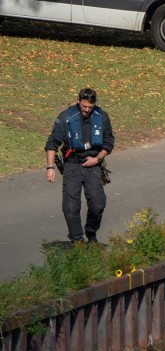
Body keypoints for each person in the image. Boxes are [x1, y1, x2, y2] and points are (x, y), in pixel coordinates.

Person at [44, 88, 115, 243]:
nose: (87, 110)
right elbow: (52, 144)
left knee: (98, 203)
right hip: (72, 165)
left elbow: (109, 142)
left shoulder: (102, 117)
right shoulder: (66, 117)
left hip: (93, 164)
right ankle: (77, 240)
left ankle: (91, 232)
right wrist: (50, 167)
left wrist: (97, 159)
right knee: (70, 207)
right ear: (78, 102)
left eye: (90, 107)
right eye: (84, 107)